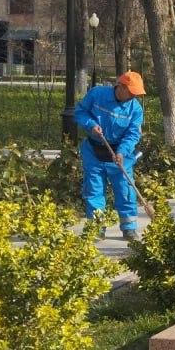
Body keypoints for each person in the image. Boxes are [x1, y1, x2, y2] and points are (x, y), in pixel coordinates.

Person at [74, 71, 146, 240]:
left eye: (136, 93)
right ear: (120, 87)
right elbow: (80, 112)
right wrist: (90, 124)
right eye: (131, 92)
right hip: (94, 151)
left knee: (125, 190)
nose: (134, 96)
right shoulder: (97, 94)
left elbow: (133, 134)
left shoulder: (135, 109)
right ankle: (97, 227)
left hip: (121, 154)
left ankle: (129, 228)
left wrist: (122, 151)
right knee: (94, 189)